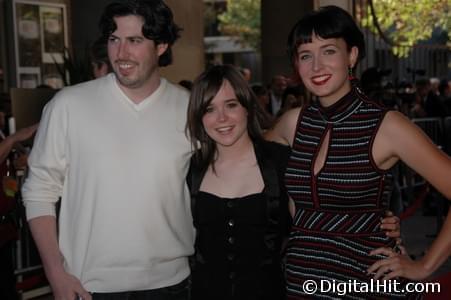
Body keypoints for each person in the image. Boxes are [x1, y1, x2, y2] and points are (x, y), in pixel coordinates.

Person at [265, 5, 451, 298]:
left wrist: (425, 267)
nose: (316, 66)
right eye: (305, 55)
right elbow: (242, 155)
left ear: (351, 55)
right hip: (302, 282)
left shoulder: (386, 125)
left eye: (328, 51)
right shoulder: (292, 123)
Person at [22, 1, 193, 299]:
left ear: (162, 46)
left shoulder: (189, 108)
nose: (121, 53)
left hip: (172, 283)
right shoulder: (68, 105)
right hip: (88, 285)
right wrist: (55, 273)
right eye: (114, 40)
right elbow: (39, 191)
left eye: (135, 41)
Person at [186, 64, 290, 300]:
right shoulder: (191, 169)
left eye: (231, 105)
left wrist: (392, 239)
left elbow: (319, 220)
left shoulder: (281, 162)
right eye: (209, 109)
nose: (221, 118)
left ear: (248, 107)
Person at [0, 109, 37, 300]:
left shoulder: (2, 133)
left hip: (5, 225)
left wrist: (15, 164)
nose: (2, 114)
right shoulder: (7, 137)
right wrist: (14, 138)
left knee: (7, 282)